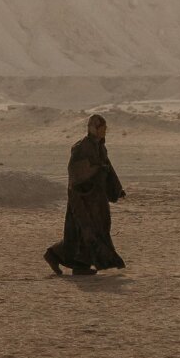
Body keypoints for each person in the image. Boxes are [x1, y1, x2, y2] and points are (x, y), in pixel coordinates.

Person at [44, 114, 127, 276]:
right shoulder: (82, 147)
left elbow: (107, 168)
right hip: (83, 197)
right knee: (84, 231)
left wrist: (116, 189)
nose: (104, 131)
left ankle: (61, 257)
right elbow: (76, 171)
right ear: (93, 128)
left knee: (93, 230)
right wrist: (95, 169)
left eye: (105, 128)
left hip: (96, 198)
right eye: (101, 128)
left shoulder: (100, 147)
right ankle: (71, 262)